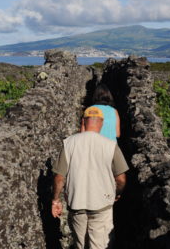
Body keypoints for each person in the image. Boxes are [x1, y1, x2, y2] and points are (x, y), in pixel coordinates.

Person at [52, 106, 129, 249]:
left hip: (77, 205)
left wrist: (55, 200)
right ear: (101, 123)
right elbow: (121, 179)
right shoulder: (110, 145)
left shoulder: (69, 143)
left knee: (80, 245)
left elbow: (59, 177)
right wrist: (116, 194)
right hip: (102, 205)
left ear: (83, 122)